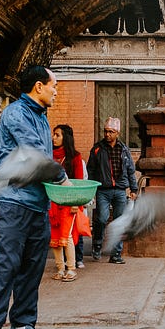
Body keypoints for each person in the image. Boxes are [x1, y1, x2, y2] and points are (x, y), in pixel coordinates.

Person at [0, 65, 67, 329]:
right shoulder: (16, 113)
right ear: (39, 86)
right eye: (53, 85)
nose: (56, 91)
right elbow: (35, 154)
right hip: (13, 202)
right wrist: (61, 177)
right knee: (4, 265)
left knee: (31, 266)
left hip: (37, 203)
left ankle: (23, 323)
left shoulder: (41, 116)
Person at [86, 116, 137, 264]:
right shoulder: (97, 149)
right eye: (105, 131)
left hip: (120, 190)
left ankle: (116, 254)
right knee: (101, 219)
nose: (107, 134)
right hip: (103, 190)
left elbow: (130, 170)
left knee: (119, 222)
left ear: (117, 133)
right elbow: (91, 170)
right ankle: (97, 244)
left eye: (111, 132)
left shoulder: (123, 149)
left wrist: (133, 188)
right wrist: (91, 190)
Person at [49, 124, 85, 281]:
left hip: (70, 202)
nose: (53, 138)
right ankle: (60, 268)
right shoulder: (48, 155)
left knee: (67, 235)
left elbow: (78, 182)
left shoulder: (75, 157)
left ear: (66, 138)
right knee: (54, 236)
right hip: (52, 202)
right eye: (53, 135)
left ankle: (71, 268)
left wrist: (77, 203)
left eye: (57, 135)